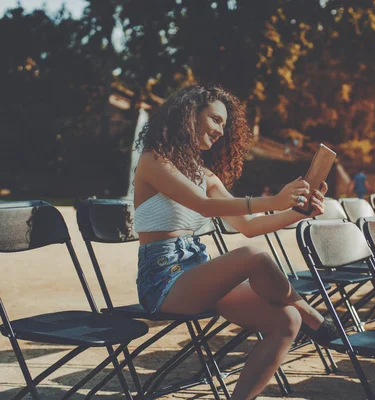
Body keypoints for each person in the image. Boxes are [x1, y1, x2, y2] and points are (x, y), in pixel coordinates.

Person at [133, 84, 336, 400]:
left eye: (224, 125)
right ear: (189, 115)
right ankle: (313, 315)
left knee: (286, 320)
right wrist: (273, 199)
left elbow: (249, 226)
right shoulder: (153, 161)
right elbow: (204, 206)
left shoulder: (205, 175)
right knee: (253, 257)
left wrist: (297, 212)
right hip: (163, 281)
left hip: (197, 273)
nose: (220, 131)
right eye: (215, 119)